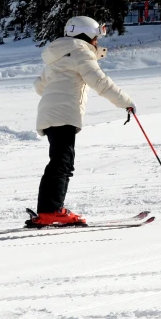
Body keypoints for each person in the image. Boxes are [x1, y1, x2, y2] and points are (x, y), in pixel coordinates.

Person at [30, 15, 134, 227]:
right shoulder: (80, 52)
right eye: (96, 37)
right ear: (86, 35)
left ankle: (47, 210)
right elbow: (99, 81)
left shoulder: (57, 55)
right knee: (62, 163)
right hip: (64, 113)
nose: (97, 42)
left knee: (58, 162)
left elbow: (40, 86)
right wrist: (126, 102)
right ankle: (52, 211)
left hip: (48, 113)